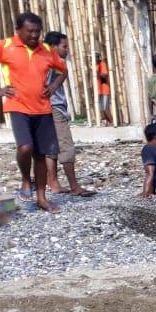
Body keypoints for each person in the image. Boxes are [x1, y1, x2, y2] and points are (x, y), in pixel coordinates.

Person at [0, 12, 67, 213]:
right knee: (25, 147)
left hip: (42, 108)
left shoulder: (46, 50)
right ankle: (26, 179)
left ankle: (42, 199)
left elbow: (63, 70)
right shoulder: (5, 46)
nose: (35, 35)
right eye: (30, 31)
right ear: (18, 30)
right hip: (17, 106)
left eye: (38, 31)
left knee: (41, 154)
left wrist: (53, 86)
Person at [44, 31, 95, 198]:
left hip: (45, 108)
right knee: (66, 146)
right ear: (53, 47)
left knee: (50, 148)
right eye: (64, 46)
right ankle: (74, 186)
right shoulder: (53, 62)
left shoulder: (42, 60)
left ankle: (53, 183)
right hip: (55, 108)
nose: (67, 50)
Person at [94, 52, 113, 126]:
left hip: (104, 89)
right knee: (102, 109)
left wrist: (97, 72)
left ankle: (112, 122)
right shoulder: (96, 65)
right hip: (99, 90)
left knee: (105, 108)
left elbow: (105, 75)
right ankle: (108, 123)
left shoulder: (102, 64)